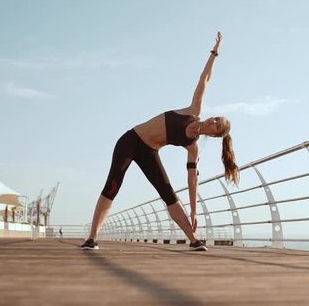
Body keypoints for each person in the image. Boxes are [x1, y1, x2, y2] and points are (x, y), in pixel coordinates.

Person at [81, 31, 239, 251]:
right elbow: (205, 78)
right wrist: (215, 52)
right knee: (113, 186)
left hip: (149, 152)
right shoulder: (193, 111)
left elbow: (192, 180)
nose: (212, 120)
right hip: (130, 141)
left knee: (168, 193)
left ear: (214, 134)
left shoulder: (193, 148)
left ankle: (193, 241)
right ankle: (92, 238)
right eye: (215, 118)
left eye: (216, 124)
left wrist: (194, 210)